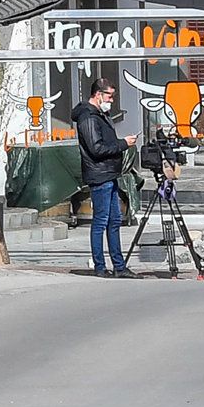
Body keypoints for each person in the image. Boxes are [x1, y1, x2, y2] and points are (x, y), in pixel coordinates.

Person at [70, 78, 130, 276]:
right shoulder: (88, 116)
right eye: (109, 96)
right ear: (98, 95)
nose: (111, 100)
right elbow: (96, 149)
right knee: (101, 221)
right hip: (99, 175)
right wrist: (122, 144)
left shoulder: (100, 115)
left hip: (109, 174)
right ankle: (100, 266)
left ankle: (119, 266)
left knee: (114, 220)